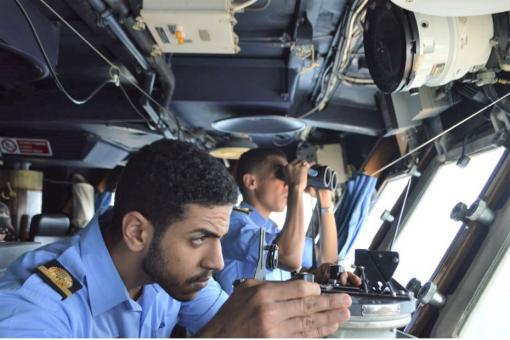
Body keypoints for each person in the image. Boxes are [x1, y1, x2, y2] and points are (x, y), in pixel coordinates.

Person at [0, 139, 351, 337]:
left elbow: (232, 321)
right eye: (200, 239)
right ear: (137, 232)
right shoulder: (34, 308)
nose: (216, 262)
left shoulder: (167, 274)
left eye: (219, 239)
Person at [215, 148, 360, 294]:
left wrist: (324, 198)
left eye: (288, 178)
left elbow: (328, 261)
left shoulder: (272, 231)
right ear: (251, 181)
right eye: (281, 175)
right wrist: (296, 186)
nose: (287, 184)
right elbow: (289, 258)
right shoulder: (231, 224)